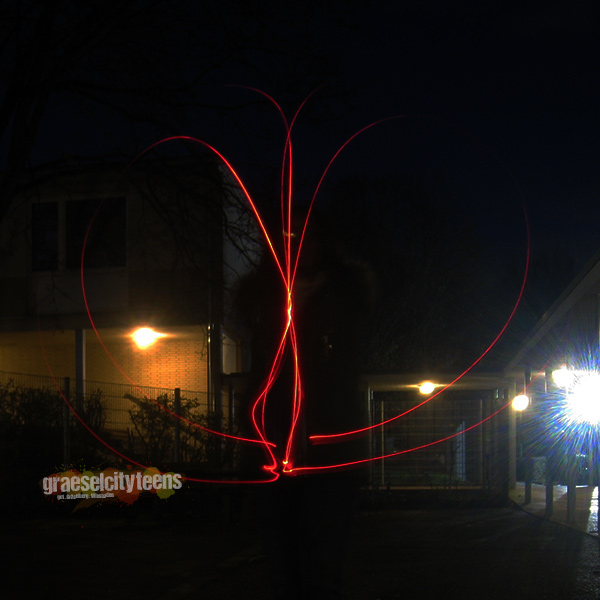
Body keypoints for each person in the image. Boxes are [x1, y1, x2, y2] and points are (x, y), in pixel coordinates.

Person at [236, 205, 375, 599]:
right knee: (283, 573)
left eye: (307, 236)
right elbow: (260, 374)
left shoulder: (344, 294)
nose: (298, 245)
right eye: (289, 237)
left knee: (323, 571)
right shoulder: (263, 297)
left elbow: (336, 368)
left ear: (324, 241)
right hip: (272, 454)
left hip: (331, 458)